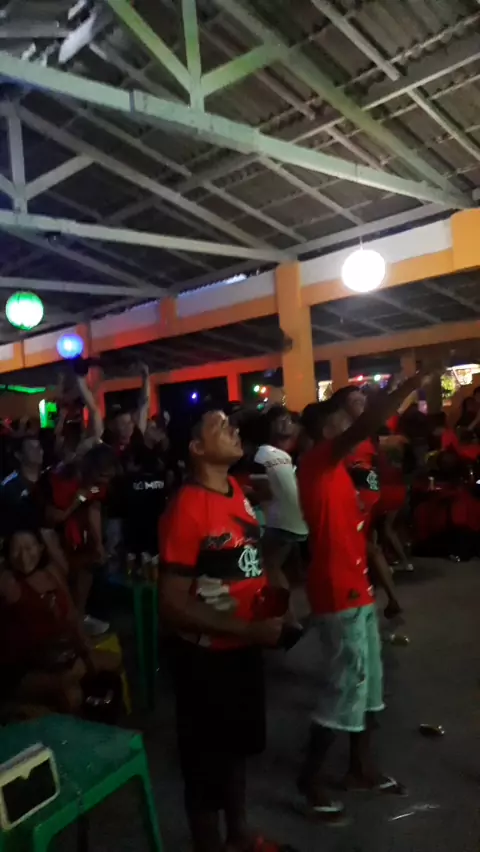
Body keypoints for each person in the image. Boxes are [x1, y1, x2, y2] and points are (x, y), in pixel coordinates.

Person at [159, 407, 292, 852]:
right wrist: (248, 631)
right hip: (204, 659)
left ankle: (238, 835)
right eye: (220, 426)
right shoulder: (186, 508)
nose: (233, 429)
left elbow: (245, 556)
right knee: (203, 765)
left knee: (237, 749)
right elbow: (172, 604)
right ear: (197, 448)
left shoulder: (236, 489)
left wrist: (270, 601)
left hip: (241, 648)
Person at [297, 369, 428, 819]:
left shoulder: (340, 469)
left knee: (369, 687)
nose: (352, 426)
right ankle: (309, 778)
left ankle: (360, 768)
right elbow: (368, 423)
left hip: (357, 586)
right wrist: (414, 382)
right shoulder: (317, 462)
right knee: (344, 686)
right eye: (343, 421)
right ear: (326, 432)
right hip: (338, 591)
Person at [0, 527, 121, 721]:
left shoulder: (51, 573)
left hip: (61, 656)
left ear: (41, 548)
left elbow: (72, 616)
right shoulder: (9, 583)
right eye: (16, 550)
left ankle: (106, 726)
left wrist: (85, 651)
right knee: (70, 692)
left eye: (29, 547)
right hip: (25, 668)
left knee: (112, 660)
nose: (23, 556)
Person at [41, 444, 117, 636]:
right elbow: (54, 518)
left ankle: (79, 617)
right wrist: (78, 500)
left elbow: (94, 508)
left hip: (78, 536)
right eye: (103, 476)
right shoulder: (60, 479)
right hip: (50, 537)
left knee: (91, 563)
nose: (105, 481)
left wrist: (98, 545)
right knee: (64, 577)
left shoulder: (96, 484)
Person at [254, 406, 308, 590]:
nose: (286, 424)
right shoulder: (278, 455)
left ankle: (283, 606)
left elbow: (265, 493)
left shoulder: (265, 454)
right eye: (281, 421)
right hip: (291, 521)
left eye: (289, 420)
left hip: (280, 523)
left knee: (269, 566)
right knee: (274, 565)